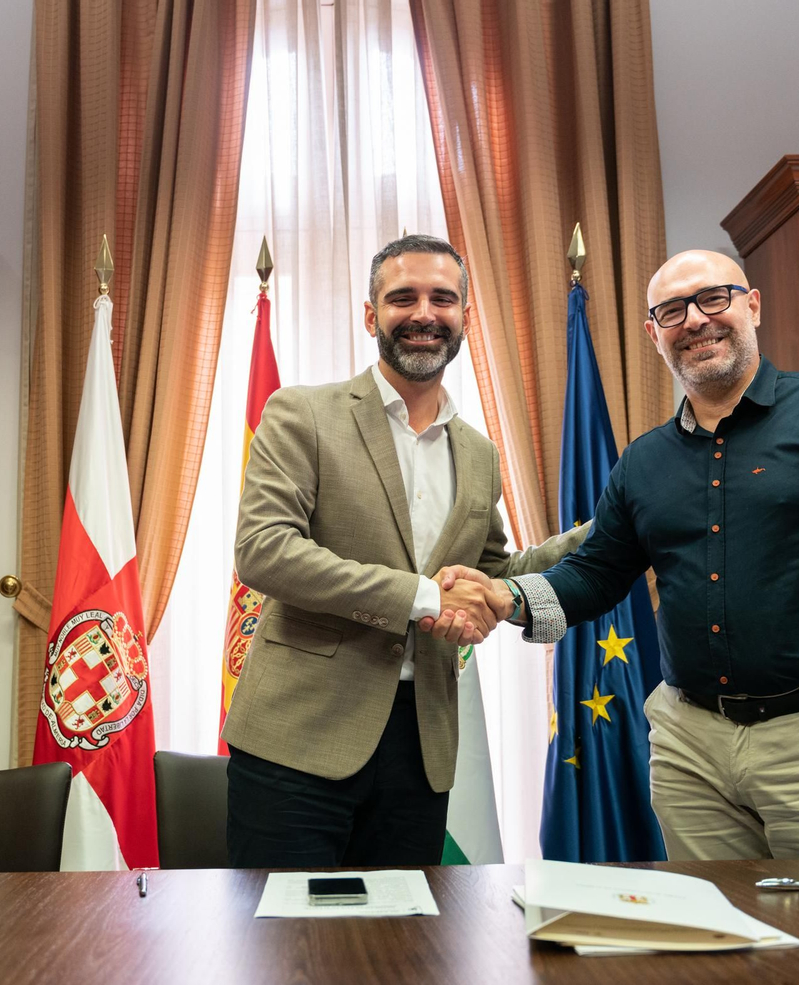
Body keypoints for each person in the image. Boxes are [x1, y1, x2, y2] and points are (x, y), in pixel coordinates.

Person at [447, 249, 799, 860]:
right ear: (654, 334)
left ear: (752, 304)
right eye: (673, 310)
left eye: (713, 298)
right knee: (713, 944)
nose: (695, 320)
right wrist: (501, 596)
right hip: (689, 748)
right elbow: (594, 575)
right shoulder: (643, 462)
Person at [221, 234, 585, 867]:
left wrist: (607, 534)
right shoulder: (303, 413)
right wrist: (421, 597)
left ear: (464, 318)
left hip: (422, 747)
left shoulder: (479, 453)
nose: (424, 314)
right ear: (371, 316)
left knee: (402, 951)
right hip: (296, 740)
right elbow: (265, 550)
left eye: (442, 298)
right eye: (403, 298)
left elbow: (493, 574)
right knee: (285, 952)